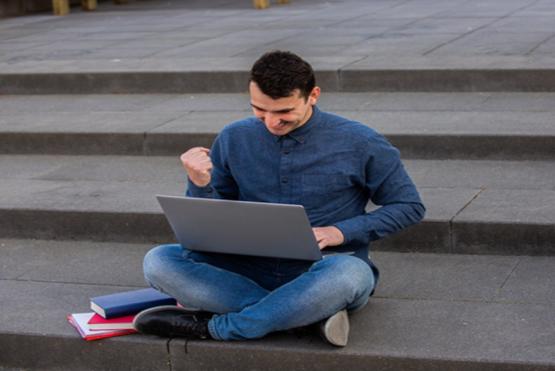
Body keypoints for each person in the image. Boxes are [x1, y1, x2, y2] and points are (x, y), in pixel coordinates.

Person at [133, 50, 425, 347]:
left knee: (349, 275)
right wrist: (200, 183)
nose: (271, 121)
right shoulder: (234, 137)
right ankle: (304, 317)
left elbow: (408, 206)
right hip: (244, 268)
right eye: (260, 110)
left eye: (283, 112)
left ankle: (222, 327)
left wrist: (338, 232)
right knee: (159, 261)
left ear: (313, 95)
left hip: (323, 268)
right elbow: (213, 216)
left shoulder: (361, 142)